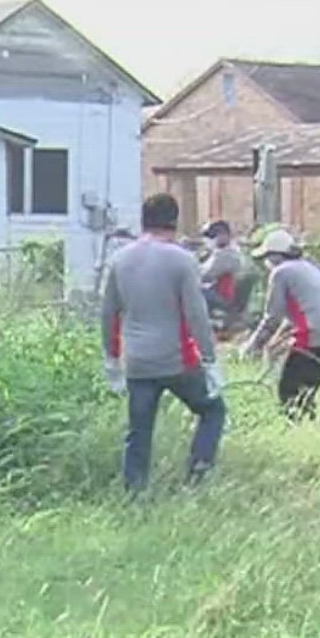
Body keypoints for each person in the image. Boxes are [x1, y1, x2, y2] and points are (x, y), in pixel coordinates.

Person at [100, 193, 227, 493]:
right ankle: (197, 477)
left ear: (143, 220)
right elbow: (196, 315)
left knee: (139, 431)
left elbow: (108, 314)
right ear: (175, 220)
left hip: (138, 362)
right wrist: (210, 361)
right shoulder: (182, 259)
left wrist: (112, 359)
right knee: (212, 411)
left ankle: (134, 493)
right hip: (177, 359)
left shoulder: (119, 259)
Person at [240, 228, 320, 420]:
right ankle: (309, 428)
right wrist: (276, 341)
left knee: (288, 392)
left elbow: (272, 317)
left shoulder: (281, 273)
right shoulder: (307, 268)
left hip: (316, 337)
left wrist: (251, 347)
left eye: (267, 257)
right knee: (304, 391)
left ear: (275, 256)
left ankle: (298, 431)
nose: (266, 263)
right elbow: (295, 314)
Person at [198, 220, 256, 333]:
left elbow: (205, 275)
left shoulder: (226, 254)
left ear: (224, 235)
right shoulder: (230, 250)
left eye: (212, 236)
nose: (209, 240)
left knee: (194, 290)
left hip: (225, 298)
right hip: (224, 293)